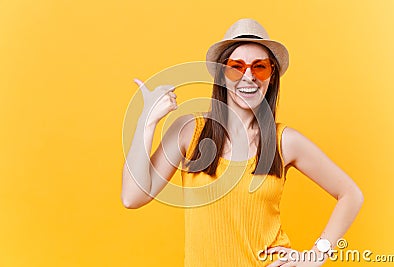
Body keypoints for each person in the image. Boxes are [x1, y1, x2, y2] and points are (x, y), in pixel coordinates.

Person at [121, 18, 364, 267]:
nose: (248, 76)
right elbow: (132, 197)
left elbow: (351, 194)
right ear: (221, 74)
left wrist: (315, 257)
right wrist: (146, 121)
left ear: (271, 76)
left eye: (259, 67)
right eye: (236, 67)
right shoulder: (190, 131)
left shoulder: (285, 142)